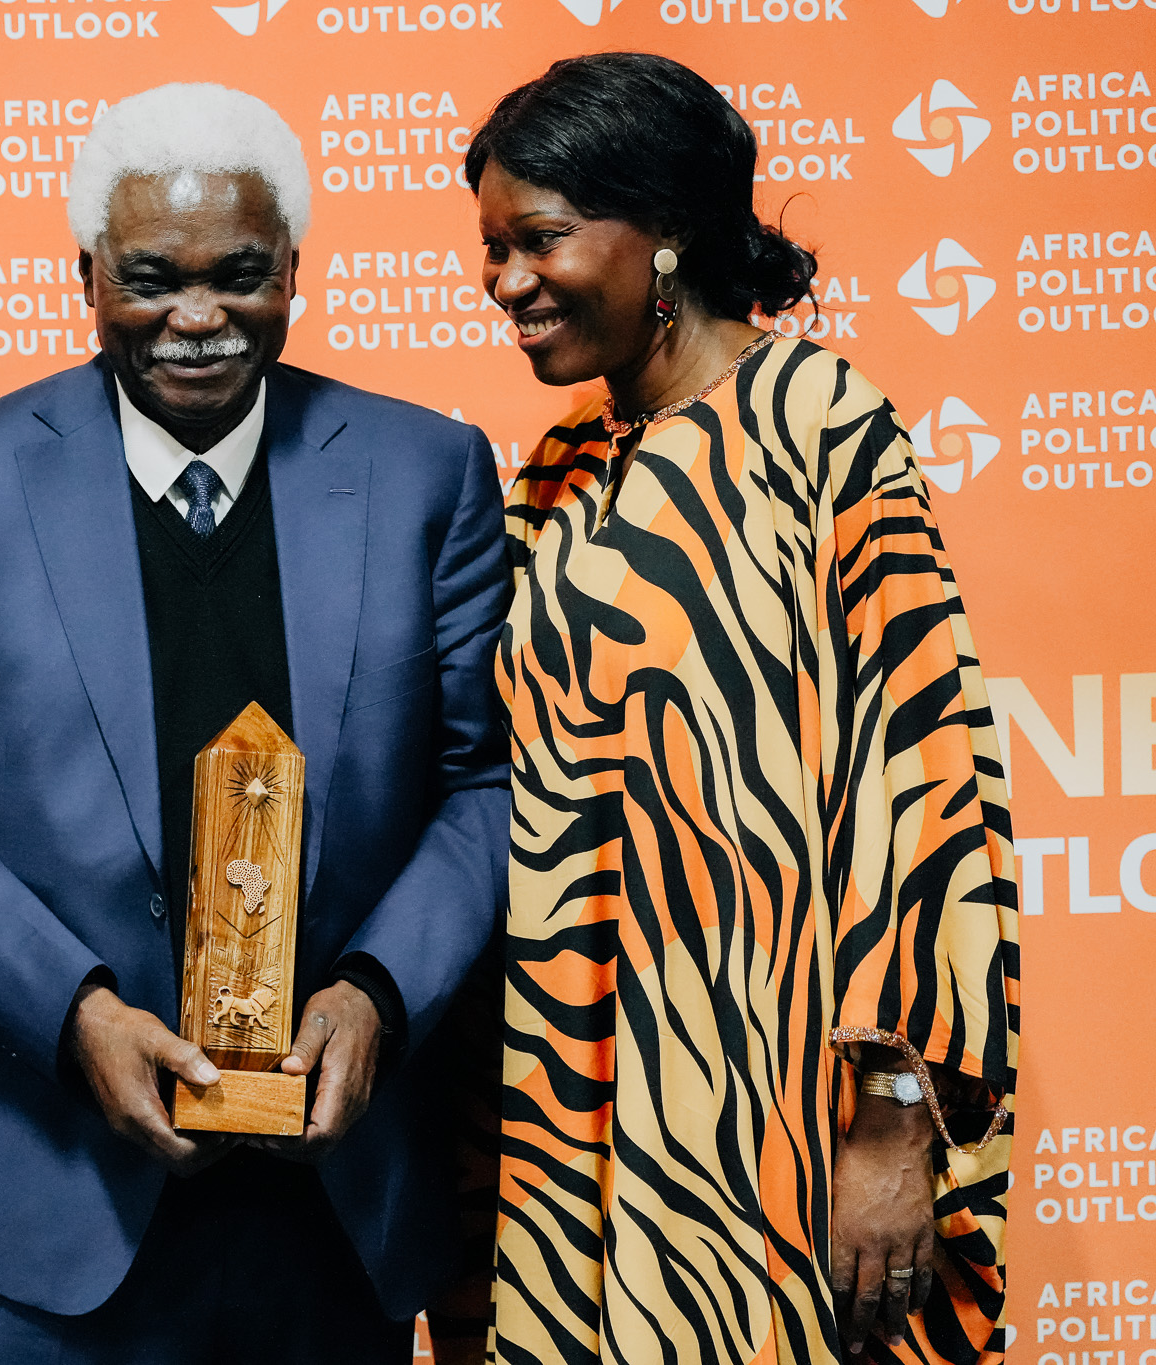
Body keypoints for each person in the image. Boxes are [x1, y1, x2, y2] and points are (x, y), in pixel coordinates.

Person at [0, 82, 511, 1365]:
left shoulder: (426, 472)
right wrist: (74, 1015)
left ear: (293, 270)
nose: (197, 318)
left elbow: (484, 788)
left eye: (239, 275)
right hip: (67, 1177)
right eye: (151, 279)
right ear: (87, 277)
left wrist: (377, 996)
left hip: (345, 1180)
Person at [436, 51, 1018, 1365]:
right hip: (571, 1116)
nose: (506, 281)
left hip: (775, 1104)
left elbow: (921, 780)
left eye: (540, 239)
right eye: (491, 248)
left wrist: (890, 1124)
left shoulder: (817, 423)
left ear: (668, 232)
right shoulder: (553, 473)